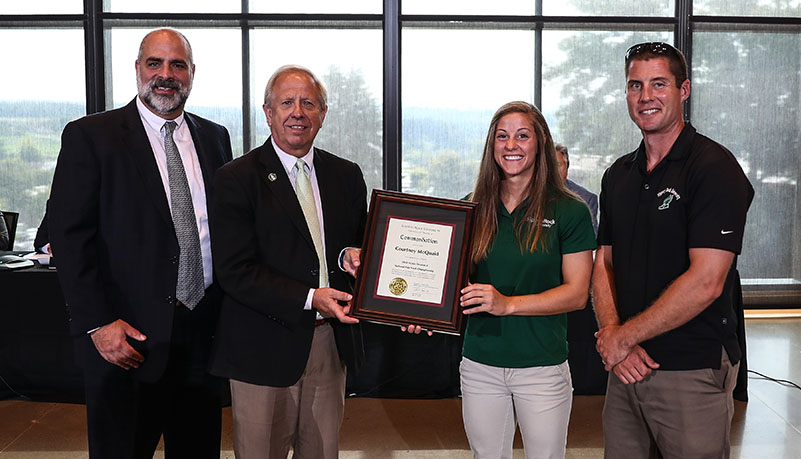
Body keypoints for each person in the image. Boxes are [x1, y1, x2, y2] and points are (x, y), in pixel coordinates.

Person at [48, 28, 233, 458]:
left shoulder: (214, 137)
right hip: (126, 341)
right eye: (155, 63)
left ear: (191, 74)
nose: (165, 75)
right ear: (137, 69)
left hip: (201, 338)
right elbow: (69, 237)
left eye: (177, 65)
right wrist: (97, 323)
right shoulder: (91, 136)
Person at [592, 42, 753, 458]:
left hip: (689, 368)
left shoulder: (714, 168)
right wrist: (614, 337)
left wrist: (621, 338)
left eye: (658, 84)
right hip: (626, 368)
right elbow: (604, 264)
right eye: (635, 85)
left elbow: (707, 282)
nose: (646, 97)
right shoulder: (618, 175)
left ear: (684, 90)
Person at [208, 65, 367, 459]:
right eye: (287, 102)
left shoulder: (346, 175)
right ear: (268, 111)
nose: (298, 112)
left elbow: (355, 245)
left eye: (309, 103)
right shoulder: (236, 178)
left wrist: (351, 256)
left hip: (329, 346)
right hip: (261, 348)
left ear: (323, 114)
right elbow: (235, 271)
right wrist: (311, 297)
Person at [455, 101, 596, 458]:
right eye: (502, 136)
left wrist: (508, 305)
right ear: (492, 146)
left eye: (522, 135)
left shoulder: (570, 210)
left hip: (542, 366)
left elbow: (578, 293)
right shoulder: (469, 209)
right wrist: (421, 313)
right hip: (480, 364)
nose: (511, 145)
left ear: (540, 143)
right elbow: (448, 284)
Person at [555, 142, 598, 235]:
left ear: (567, 167)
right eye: (549, 165)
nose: (553, 170)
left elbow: (590, 242)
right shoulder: (525, 194)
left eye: (558, 165)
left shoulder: (586, 200)